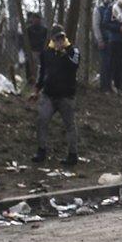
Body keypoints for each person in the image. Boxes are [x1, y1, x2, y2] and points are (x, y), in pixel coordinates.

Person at [30, 25, 80, 166]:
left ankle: (73, 154)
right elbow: (42, 73)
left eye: (62, 38)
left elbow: (75, 65)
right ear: (52, 39)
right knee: (42, 121)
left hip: (66, 95)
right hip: (49, 94)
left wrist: (64, 53)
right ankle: (41, 150)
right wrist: (36, 90)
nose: (60, 41)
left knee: (70, 125)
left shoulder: (73, 51)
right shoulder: (46, 53)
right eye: (57, 38)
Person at [94, 0, 114, 92]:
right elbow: (96, 26)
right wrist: (99, 40)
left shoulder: (113, 8)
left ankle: (110, 85)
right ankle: (104, 86)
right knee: (104, 63)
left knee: (111, 63)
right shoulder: (98, 9)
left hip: (112, 40)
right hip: (103, 40)